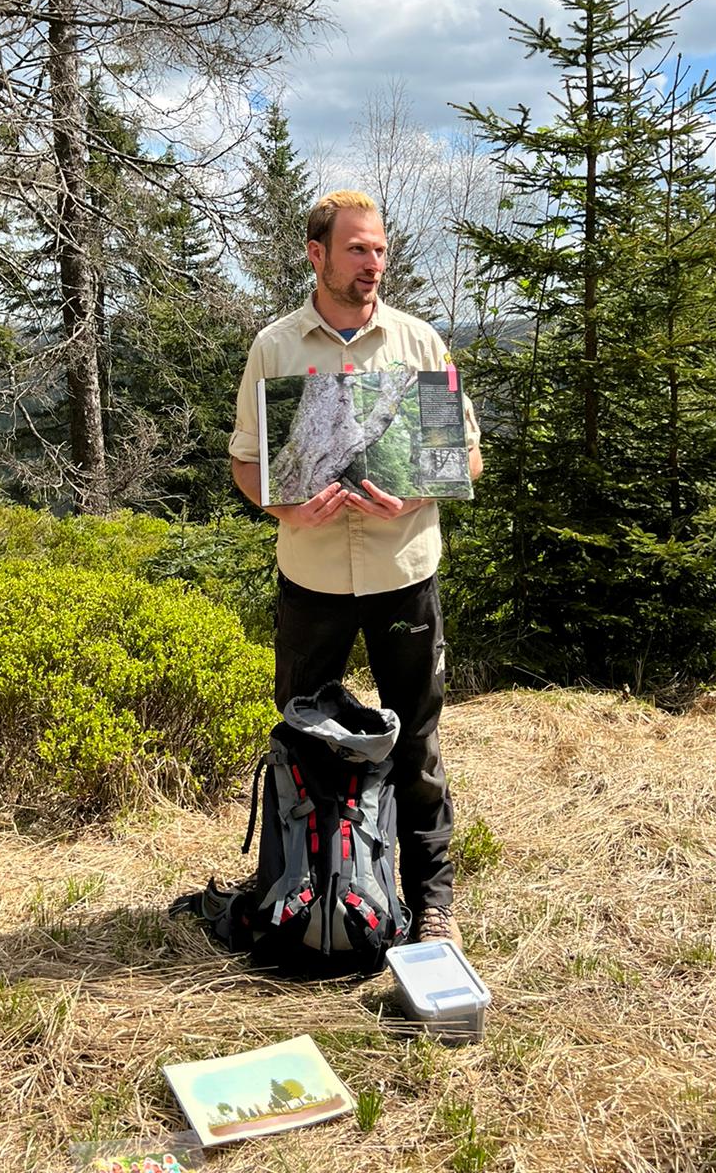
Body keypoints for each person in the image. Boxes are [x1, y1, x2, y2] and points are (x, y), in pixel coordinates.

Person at [229, 189, 483, 946]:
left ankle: (431, 902)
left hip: (404, 572)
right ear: (317, 254)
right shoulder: (275, 348)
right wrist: (283, 509)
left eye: (380, 249)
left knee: (418, 744)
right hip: (311, 577)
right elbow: (245, 463)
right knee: (303, 733)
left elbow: (467, 457)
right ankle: (300, 893)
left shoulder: (419, 342)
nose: (374, 263)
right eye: (357, 249)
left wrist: (418, 495)